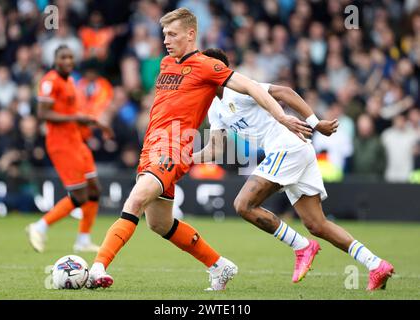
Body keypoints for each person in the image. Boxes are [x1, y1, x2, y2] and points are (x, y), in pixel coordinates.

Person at [86, 8, 312, 291]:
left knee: (134, 201)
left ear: (191, 34)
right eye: (165, 34)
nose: (166, 40)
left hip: (171, 148)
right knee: (159, 224)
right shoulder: (167, 63)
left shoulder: (208, 66)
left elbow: (253, 87)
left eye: (173, 34)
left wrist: (282, 117)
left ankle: (97, 268)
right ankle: (219, 265)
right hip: (151, 149)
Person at [193, 48, 394, 291]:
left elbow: (285, 92)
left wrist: (316, 122)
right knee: (317, 224)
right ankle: (376, 265)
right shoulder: (214, 106)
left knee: (243, 205)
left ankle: (301, 246)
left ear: (217, 70)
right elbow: (214, 150)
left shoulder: (240, 86)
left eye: (201, 68)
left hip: (286, 148)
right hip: (294, 151)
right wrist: (184, 157)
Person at [26, 45, 112, 253]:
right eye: (63, 57)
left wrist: (95, 123)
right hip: (61, 144)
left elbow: (74, 113)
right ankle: (39, 226)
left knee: (95, 189)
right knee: (80, 196)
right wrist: (76, 118)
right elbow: (43, 113)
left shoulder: (71, 81)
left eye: (71, 57)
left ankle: (83, 240)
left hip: (76, 140)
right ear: (55, 60)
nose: (68, 61)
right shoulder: (49, 81)